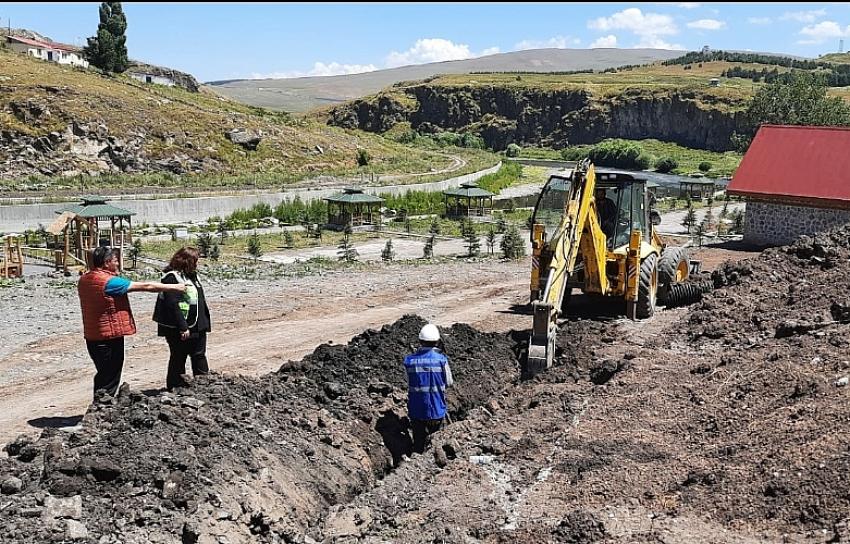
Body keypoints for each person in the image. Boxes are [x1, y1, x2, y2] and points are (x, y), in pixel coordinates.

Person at [78, 246, 186, 400]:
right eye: (115, 261)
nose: (117, 264)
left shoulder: (85, 279)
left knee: (103, 373)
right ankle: (102, 408)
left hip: (93, 335)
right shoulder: (109, 282)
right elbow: (146, 286)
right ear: (107, 262)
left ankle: (101, 406)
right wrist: (174, 287)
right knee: (110, 375)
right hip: (108, 337)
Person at [152, 247, 212, 390]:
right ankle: (175, 387)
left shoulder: (193, 276)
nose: (197, 264)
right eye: (195, 261)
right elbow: (172, 304)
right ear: (187, 261)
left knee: (199, 355)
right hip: (179, 327)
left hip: (197, 324)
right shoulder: (171, 278)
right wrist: (183, 327)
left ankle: (204, 385)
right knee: (178, 356)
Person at [403, 323, 453, 454]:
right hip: (437, 410)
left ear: (420, 341)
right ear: (437, 341)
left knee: (418, 444)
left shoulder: (409, 361)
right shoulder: (442, 360)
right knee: (436, 445)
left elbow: (408, 382)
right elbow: (449, 382)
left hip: (417, 410)